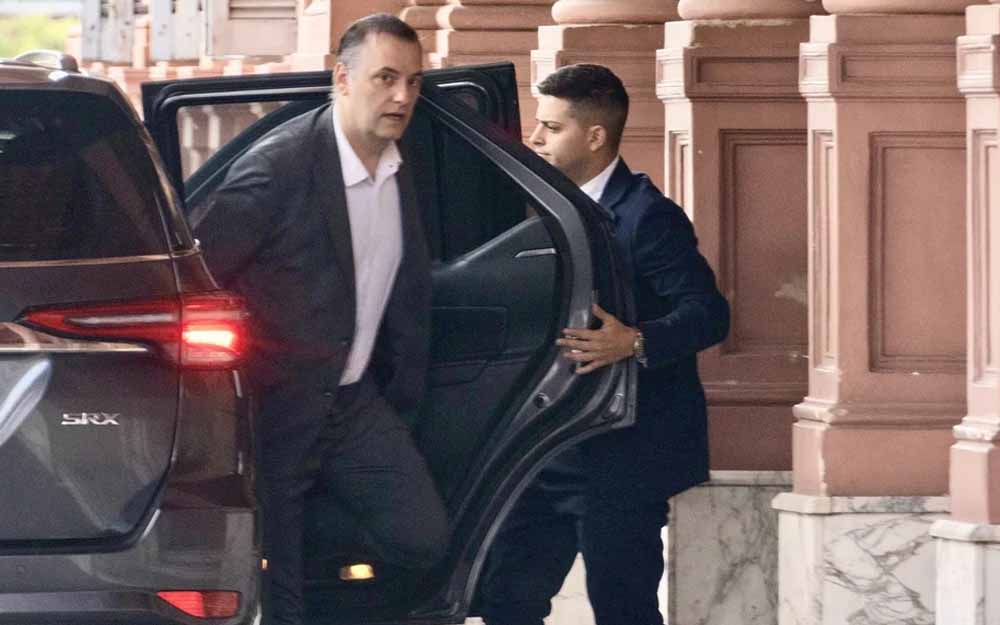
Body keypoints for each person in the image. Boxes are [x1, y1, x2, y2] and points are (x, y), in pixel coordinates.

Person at [192, 14, 448, 625]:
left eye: (413, 82)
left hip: (354, 404)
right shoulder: (279, 167)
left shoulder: (397, 167)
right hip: (276, 408)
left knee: (423, 539)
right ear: (342, 78)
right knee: (281, 595)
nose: (402, 96)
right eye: (386, 78)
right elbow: (202, 276)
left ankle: (302, 551)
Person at [477, 64, 730, 625]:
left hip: (623, 453)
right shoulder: (538, 207)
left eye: (552, 127)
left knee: (623, 608)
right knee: (504, 600)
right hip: (548, 444)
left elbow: (709, 314)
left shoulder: (649, 217)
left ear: (594, 136)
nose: (535, 138)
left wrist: (633, 341)